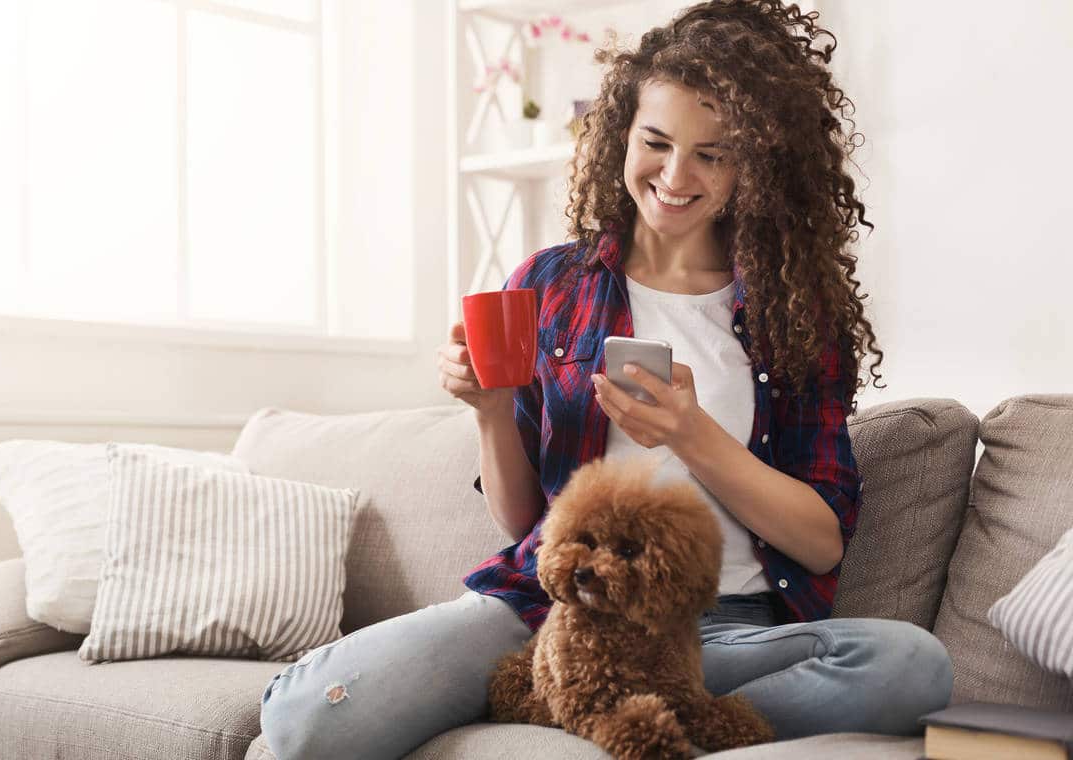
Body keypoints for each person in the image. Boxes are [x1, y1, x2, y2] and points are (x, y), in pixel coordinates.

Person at [258, 1, 953, 757]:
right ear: (622, 133)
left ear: (756, 162)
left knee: (913, 666)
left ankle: (600, 703)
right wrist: (490, 411)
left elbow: (822, 544)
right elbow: (527, 523)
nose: (676, 176)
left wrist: (694, 436)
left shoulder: (794, 312)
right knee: (308, 719)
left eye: (713, 154)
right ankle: (595, 691)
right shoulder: (554, 285)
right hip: (559, 610)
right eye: (656, 142)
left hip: (724, 626)